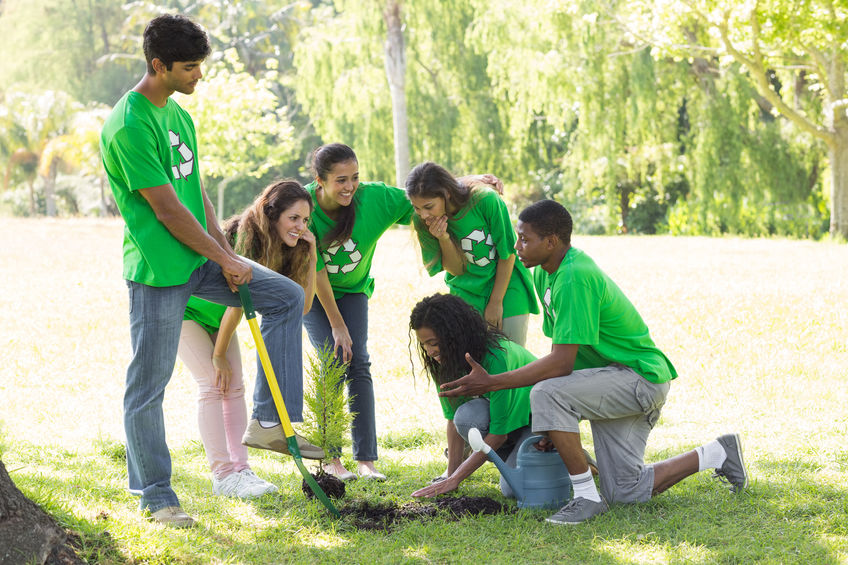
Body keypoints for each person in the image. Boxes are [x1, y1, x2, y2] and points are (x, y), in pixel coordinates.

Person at [100, 14, 321, 527]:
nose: (199, 75)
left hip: (202, 258)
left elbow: (195, 192)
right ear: (159, 66)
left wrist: (226, 251)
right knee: (147, 386)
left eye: (201, 64)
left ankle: (269, 420)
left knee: (286, 297)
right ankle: (157, 496)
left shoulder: (178, 116)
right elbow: (168, 211)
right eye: (190, 67)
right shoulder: (130, 124)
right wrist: (225, 258)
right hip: (158, 274)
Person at [440, 199, 748, 525]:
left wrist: (494, 382)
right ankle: (718, 452)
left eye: (525, 239)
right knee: (625, 491)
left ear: (552, 242)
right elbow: (572, 358)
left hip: (639, 378)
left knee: (545, 393)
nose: (517, 247)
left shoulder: (574, 277)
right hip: (613, 378)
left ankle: (586, 498)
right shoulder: (547, 273)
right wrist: (555, 425)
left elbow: (561, 364)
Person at [303, 143, 501, 481]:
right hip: (310, 289)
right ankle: (329, 458)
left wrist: (468, 181)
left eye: (354, 178)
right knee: (332, 359)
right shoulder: (306, 206)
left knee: (359, 361)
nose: (349, 187)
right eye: (340, 180)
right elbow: (317, 269)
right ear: (319, 180)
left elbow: (422, 195)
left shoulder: (374, 198)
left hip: (352, 290)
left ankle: (366, 460)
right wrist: (337, 326)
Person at [177, 180, 318, 499]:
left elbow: (303, 307)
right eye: (294, 218)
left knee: (236, 386)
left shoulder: (288, 247)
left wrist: (310, 255)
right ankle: (223, 474)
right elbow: (237, 304)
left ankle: (242, 470)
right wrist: (218, 354)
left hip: (222, 318)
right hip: (189, 312)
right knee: (213, 384)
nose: (300, 226)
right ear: (273, 214)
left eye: (305, 220)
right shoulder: (246, 237)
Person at [408, 293, 536, 498]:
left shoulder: (496, 357)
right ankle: (521, 455)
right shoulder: (441, 363)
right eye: (424, 344)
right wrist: (450, 476)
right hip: (506, 426)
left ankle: (562, 451)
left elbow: (498, 435)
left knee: (512, 490)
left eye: (433, 343)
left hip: (537, 422)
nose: (429, 351)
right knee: (466, 417)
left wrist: (456, 479)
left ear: (454, 335)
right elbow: (452, 420)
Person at [405, 162, 538, 346]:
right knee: (472, 362)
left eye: (429, 206)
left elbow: (508, 254)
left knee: (511, 361)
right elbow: (456, 270)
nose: (424, 214)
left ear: (446, 194)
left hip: (507, 287)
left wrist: (496, 302)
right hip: (466, 294)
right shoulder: (422, 222)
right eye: (417, 208)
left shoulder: (486, 200)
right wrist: (443, 238)